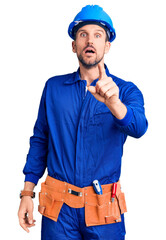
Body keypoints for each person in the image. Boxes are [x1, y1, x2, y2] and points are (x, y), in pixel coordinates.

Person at [18, 5, 148, 240]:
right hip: (58, 211)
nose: (90, 41)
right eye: (83, 34)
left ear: (107, 46)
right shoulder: (53, 88)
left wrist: (114, 103)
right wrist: (27, 192)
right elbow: (40, 141)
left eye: (98, 35)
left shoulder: (125, 91)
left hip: (104, 212)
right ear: (74, 45)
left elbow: (139, 127)